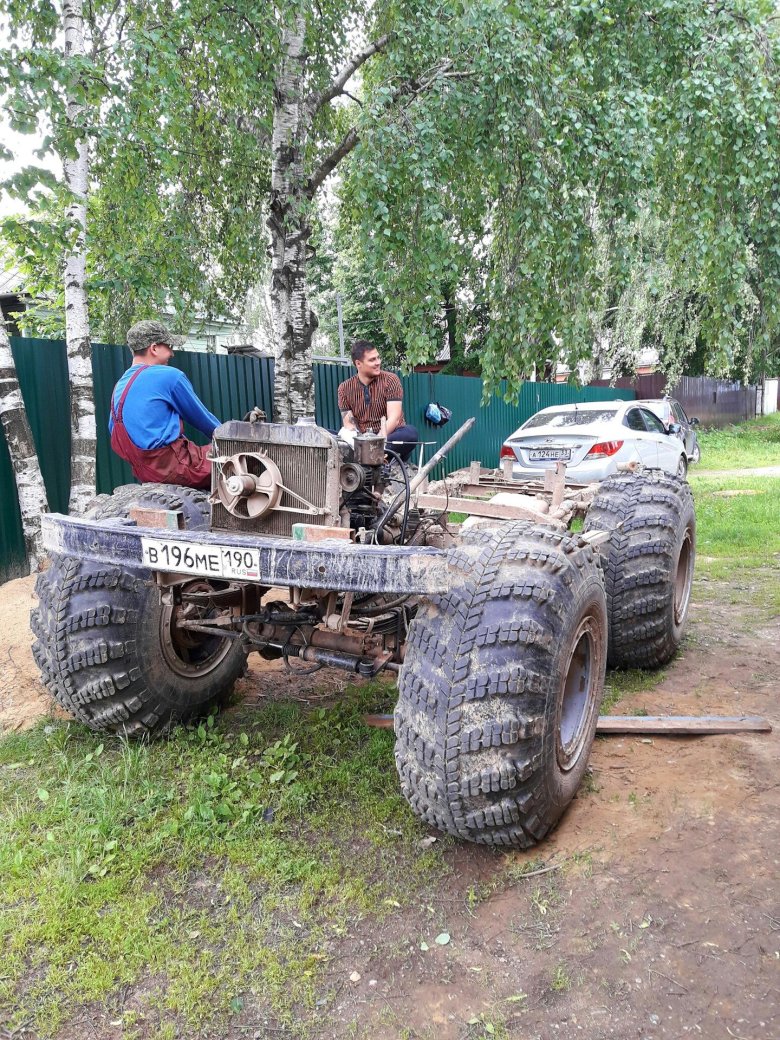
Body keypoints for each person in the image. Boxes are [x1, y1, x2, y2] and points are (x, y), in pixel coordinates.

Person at [109, 320, 220, 489]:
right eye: (169, 346)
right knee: (235, 459)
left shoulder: (120, 385)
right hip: (176, 469)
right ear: (154, 348)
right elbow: (205, 422)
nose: (172, 353)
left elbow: (113, 429)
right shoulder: (170, 376)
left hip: (144, 472)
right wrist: (232, 439)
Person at [337, 340, 419, 461]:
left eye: (378, 358)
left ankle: (372, 452)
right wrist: (361, 440)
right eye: (372, 360)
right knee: (329, 436)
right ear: (358, 363)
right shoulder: (344, 388)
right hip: (362, 439)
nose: (378, 362)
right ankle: (365, 452)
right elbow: (349, 425)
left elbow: (394, 419)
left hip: (389, 437)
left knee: (411, 433)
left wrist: (376, 442)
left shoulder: (390, 380)